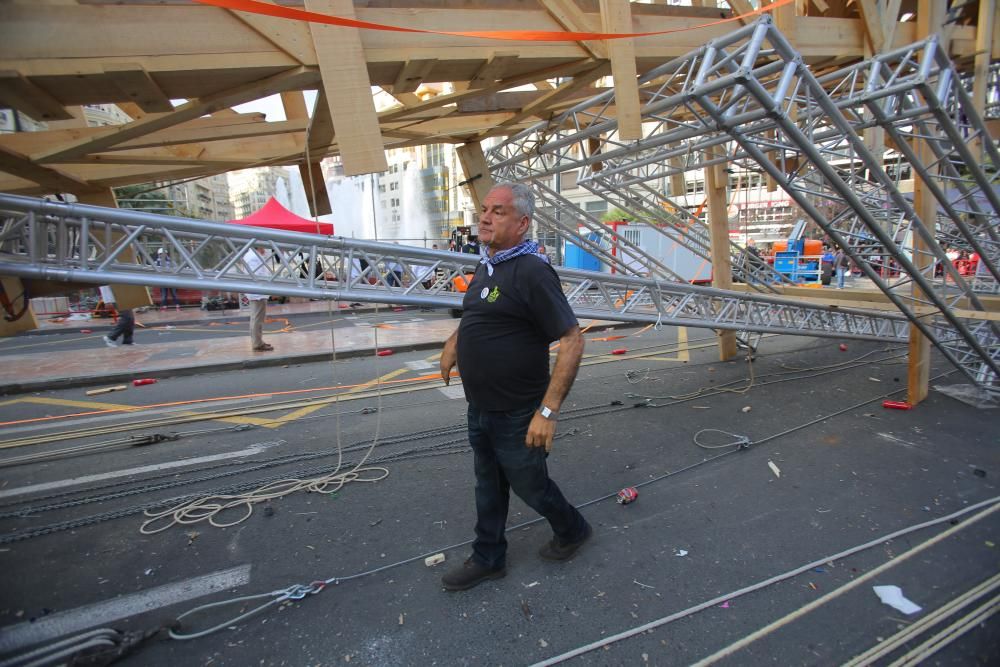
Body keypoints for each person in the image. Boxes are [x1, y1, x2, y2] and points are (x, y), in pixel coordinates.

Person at [438, 182, 590, 592]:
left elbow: (573, 340)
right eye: (484, 209)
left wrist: (547, 411)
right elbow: (478, 313)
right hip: (482, 405)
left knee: (530, 484)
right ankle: (489, 557)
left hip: (519, 410)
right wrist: (455, 343)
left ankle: (573, 529)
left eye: (498, 211)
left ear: (522, 223)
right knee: (487, 483)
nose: (484, 218)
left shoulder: (532, 271)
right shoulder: (488, 264)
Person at [243, 246, 273, 351]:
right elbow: (258, 275)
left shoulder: (253, 255)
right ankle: (257, 343)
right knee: (257, 319)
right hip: (257, 293)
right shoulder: (253, 257)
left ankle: (258, 341)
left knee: (257, 319)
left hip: (258, 292)